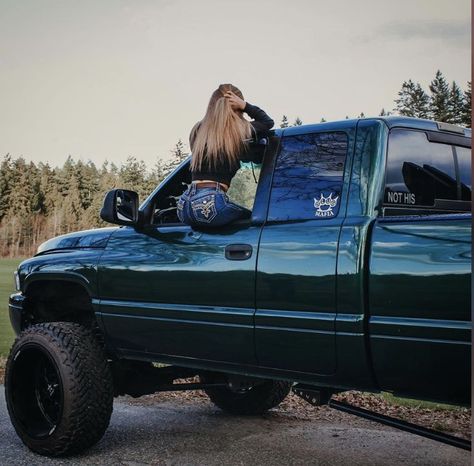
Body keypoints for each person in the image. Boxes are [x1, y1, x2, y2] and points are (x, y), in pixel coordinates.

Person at [177, 84, 274, 227]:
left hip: (184, 205)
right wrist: (246, 106)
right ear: (237, 107)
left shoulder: (198, 130)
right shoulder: (239, 131)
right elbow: (267, 122)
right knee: (255, 222)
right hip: (212, 205)